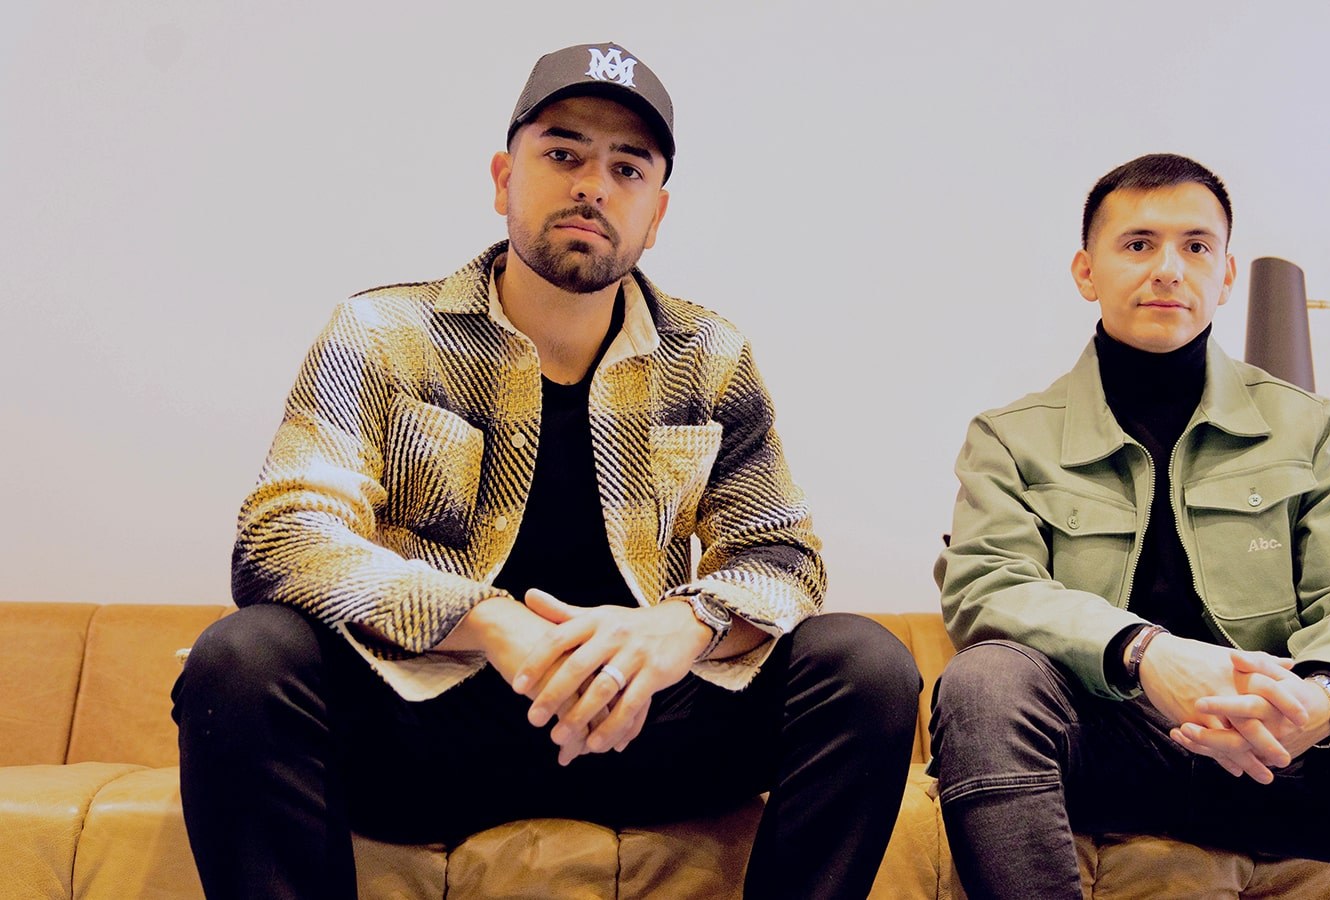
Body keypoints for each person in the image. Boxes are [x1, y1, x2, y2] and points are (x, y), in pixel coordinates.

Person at [173, 42, 920, 900]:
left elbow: (784, 556)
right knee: (242, 658)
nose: (592, 186)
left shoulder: (710, 355)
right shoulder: (384, 333)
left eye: (626, 168)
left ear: (656, 212)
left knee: (866, 665)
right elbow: (281, 540)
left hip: (643, 727)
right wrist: (489, 621)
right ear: (503, 177)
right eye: (562, 153)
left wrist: (678, 629)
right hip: (424, 724)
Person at [930, 153, 1330, 899]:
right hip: (1109, 747)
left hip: (1287, 747)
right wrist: (1146, 653)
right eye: (1138, 244)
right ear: (1087, 271)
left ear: (1228, 273)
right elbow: (989, 586)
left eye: (1197, 246)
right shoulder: (1011, 437)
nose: (1169, 269)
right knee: (983, 682)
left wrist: (1322, 697)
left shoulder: (1310, 429)